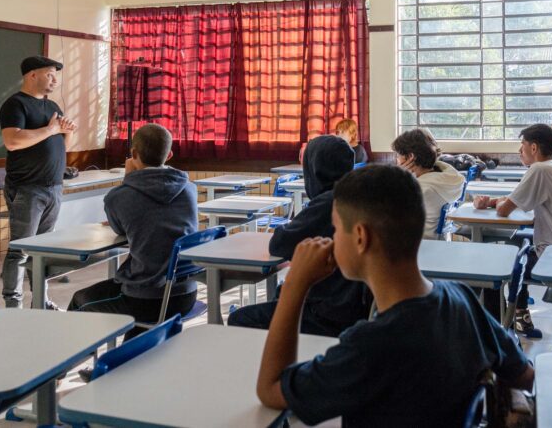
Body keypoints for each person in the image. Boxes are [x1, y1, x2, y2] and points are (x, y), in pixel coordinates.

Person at [255, 165, 534, 426]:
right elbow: (524, 374)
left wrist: (294, 285)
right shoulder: (460, 297)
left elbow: (270, 389)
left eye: (337, 229)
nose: (333, 237)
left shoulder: (370, 346)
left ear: (361, 237)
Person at [229, 135, 370, 336]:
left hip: (327, 313)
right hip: (352, 307)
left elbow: (279, 245)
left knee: (240, 318)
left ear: (314, 169)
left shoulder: (328, 202)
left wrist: (286, 228)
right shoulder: (357, 195)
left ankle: (272, 365)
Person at [67, 124, 198, 335]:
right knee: (135, 331)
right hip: (186, 293)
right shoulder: (189, 188)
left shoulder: (120, 196)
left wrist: (128, 179)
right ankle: (118, 365)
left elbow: (119, 229)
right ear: (170, 154)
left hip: (146, 298)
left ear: (133, 154)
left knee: (80, 300)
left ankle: (66, 365)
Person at [474, 124, 552, 333]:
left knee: (490, 265)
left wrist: (496, 204)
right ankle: (520, 317)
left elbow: (505, 210)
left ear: (533, 148)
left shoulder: (540, 169)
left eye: (522, 145)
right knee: (515, 247)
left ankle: (496, 332)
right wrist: (492, 202)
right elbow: (513, 201)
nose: (519, 150)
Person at [0, 56, 77, 309]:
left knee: (42, 249)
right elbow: (13, 141)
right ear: (32, 75)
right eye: (50, 74)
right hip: (27, 188)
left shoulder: (53, 106)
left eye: (56, 75)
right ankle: (14, 304)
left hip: (53, 187)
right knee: (20, 250)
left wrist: (67, 132)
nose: (55, 80)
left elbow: (61, 148)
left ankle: (41, 301)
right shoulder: (15, 105)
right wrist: (51, 130)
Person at [391, 128, 465, 239]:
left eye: (398, 155)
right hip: (440, 241)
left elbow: (385, 215)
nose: (397, 160)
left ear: (411, 157)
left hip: (417, 245)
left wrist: (399, 178)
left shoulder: (419, 189)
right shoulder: (448, 178)